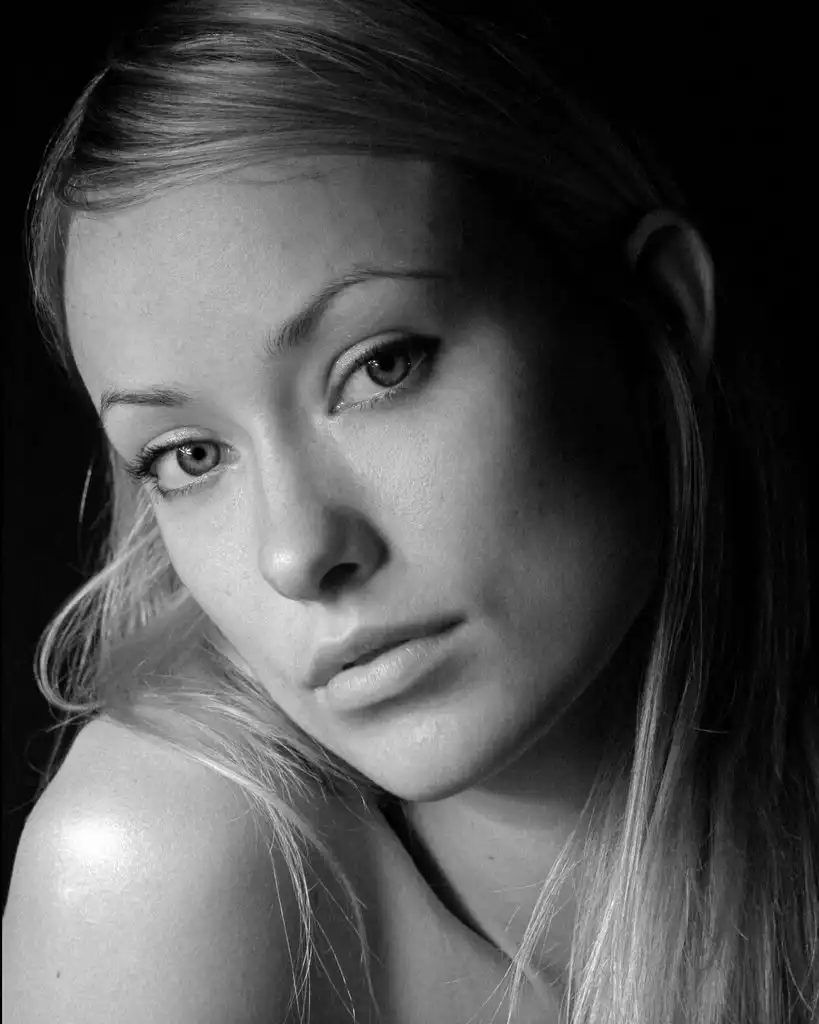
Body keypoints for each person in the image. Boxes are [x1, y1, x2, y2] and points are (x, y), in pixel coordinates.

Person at [3, 2, 815, 1022]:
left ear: (658, 310)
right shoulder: (156, 874)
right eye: (189, 456)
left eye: (380, 368)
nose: (298, 552)